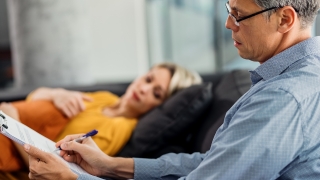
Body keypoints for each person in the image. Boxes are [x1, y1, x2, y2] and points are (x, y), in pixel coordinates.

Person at [24, 0, 320, 179]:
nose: (229, 24)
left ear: (285, 19)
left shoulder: (282, 100)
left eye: (239, 14)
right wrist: (111, 166)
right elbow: (216, 162)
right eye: (229, 10)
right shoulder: (304, 72)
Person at [0, 62, 202, 172]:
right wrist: (56, 94)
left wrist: (11, 121)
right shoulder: (105, 98)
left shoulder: (120, 129)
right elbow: (33, 97)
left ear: (162, 105)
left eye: (156, 93)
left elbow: (52, 168)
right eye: (148, 79)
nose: (144, 89)